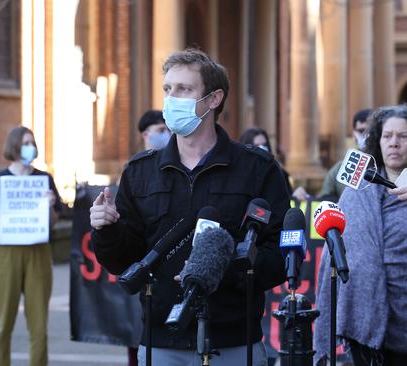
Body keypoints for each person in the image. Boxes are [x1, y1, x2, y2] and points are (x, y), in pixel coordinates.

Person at [90, 49, 289, 366]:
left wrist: (226, 270)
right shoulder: (140, 171)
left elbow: (280, 253)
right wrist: (106, 229)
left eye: (184, 89)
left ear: (213, 99)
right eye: (168, 89)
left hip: (235, 340)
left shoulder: (257, 168)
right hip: (162, 341)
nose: (171, 98)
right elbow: (123, 260)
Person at [314, 105, 407, 366]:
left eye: (403, 137)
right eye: (387, 136)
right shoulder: (356, 193)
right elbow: (331, 258)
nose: (394, 144)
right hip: (363, 332)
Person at [0, 126, 62, 366]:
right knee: (2, 324)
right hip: (6, 252)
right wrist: (6, 210)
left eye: (32, 142)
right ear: (14, 145)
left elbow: (54, 223)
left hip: (38, 250)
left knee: (39, 325)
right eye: (26, 142)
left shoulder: (44, 179)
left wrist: (50, 205)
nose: (31, 147)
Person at [237, 127, 307, 200]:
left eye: (264, 144)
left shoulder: (279, 172)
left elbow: (283, 199)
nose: (262, 148)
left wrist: (294, 196)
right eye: (257, 145)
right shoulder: (239, 175)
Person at [319, 109, 373, 201]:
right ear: (354, 134)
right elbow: (325, 200)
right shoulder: (339, 169)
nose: (366, 136)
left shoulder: (389, 166)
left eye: (370, 131)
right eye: (361, 131)